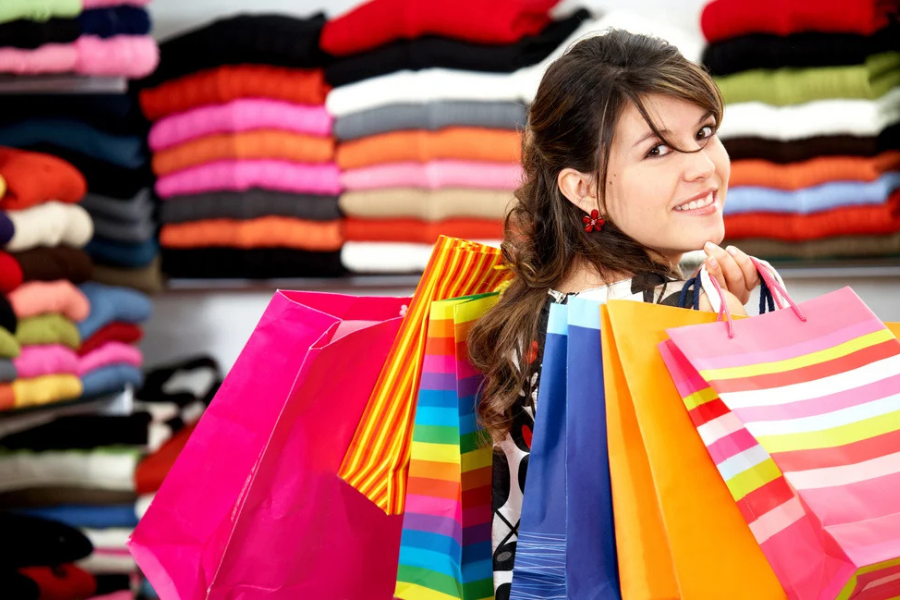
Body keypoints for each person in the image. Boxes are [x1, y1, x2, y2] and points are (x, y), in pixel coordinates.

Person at [468, 28, 770, 599]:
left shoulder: (519, 314)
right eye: (657, 150)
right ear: (583, 188)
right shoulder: (682, 321)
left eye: (704, 133)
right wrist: (741, 337)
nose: (703, 166)